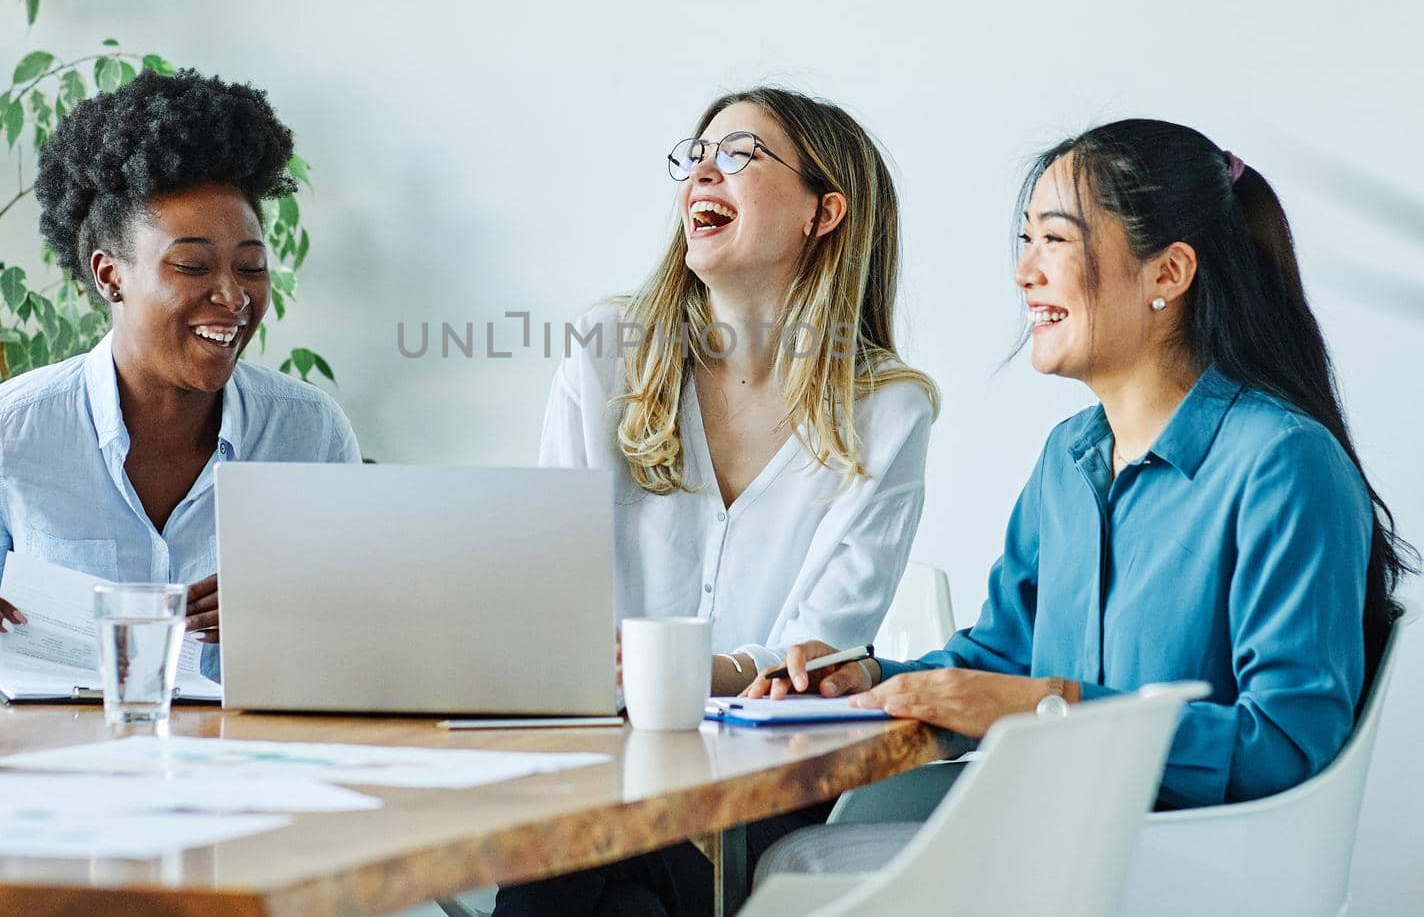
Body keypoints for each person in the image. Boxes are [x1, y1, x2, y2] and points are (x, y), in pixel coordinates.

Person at [745, 119, 1413, 877]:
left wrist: (1048, 706)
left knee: (799, 868)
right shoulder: (1067, 460)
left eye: (1055, 240)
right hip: (1054, 842)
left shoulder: (1284, 464)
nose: (1025, 272)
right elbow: (994, 657)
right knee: (789, 858)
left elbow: (1288, 745)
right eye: (1024, 241)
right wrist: (870, 676)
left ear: (1168, 273)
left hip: (1182, 869)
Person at [494, 88, 936, 916]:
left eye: (738, 153)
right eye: (693, 154)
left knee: (581, 870)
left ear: (824, 210)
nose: (701, 168)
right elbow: (547, 587)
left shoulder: (888, 411)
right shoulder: (608, 358)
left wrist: (707, 673)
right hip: (597, 774)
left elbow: (820, 652)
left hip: (762, 801)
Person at [0, 69, 360, 708]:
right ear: (110, 276)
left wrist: (292, 627)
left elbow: (360, 650)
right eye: (192, 266)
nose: (234, 296)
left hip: (248, 769)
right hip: (51, 778)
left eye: (251, 266)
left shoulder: (310, 432)